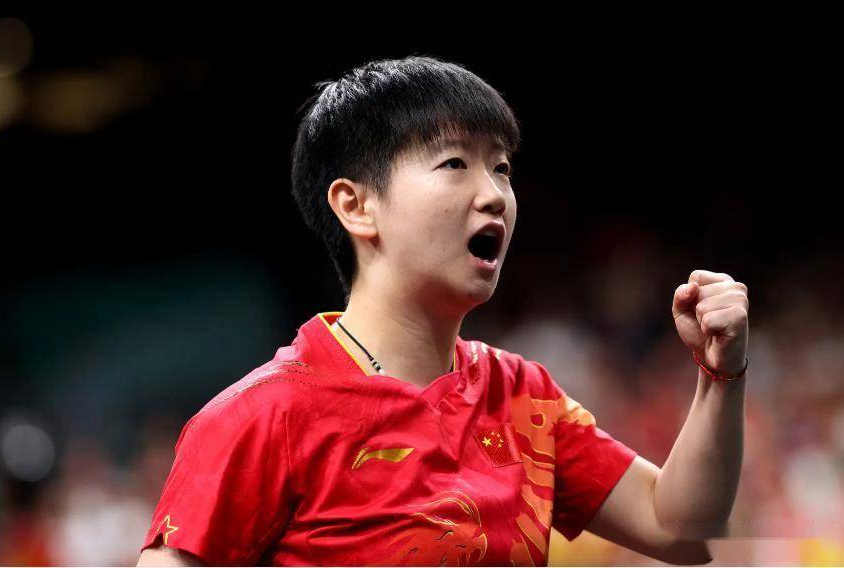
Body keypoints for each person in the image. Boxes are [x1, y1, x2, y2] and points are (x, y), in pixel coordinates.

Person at [137, 56, 749, 566]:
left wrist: (720, 375)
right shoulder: (264, 416)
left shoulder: (522, 397)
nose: (494, 194)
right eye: (454, 163)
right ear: (356, 206)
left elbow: (682, 532)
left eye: (501, 167)